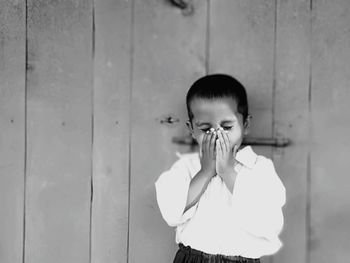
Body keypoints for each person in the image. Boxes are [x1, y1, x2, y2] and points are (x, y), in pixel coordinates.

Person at [155, 74, 286, 263]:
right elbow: (173, 213)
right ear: (191, 129)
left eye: (227, 126)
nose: (217, 136)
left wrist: (227, 172)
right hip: (193, 258)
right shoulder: (186, 167)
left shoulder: (259, 168)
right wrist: (206, 171)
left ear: (245, 125)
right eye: (205, 128)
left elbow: (269, 222)